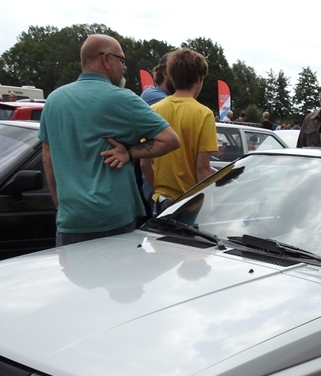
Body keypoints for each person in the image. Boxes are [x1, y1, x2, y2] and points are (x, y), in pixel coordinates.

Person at [38, 34, 180, 245]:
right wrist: (129, 152)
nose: (124, 67)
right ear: (106, 59)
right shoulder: (123, 98)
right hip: (113, 217)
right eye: (121, 60)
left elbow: (47, 158)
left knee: (74, 268)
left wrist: (60, 205)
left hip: (71, 218)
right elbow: (170, 140)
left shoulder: (54, 100)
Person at [143, 48, 218, 214]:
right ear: (199, 79)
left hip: (162, 202)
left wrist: (158, 191)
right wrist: (209, 209)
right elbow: (202, 169)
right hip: (190, 203)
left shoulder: (154, 110)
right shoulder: (204, 114)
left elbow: (144, 163)